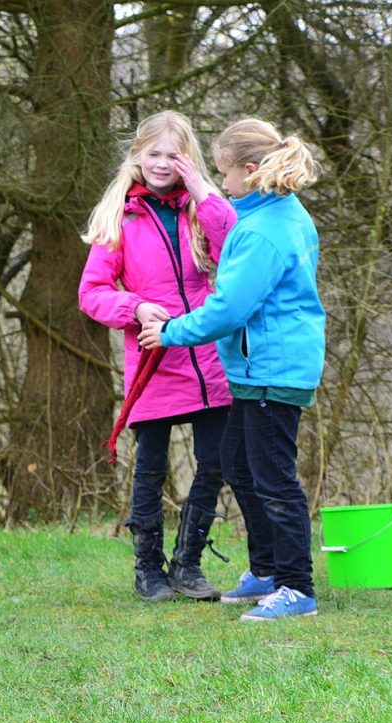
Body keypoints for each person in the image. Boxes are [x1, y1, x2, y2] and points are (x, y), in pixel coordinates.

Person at [140, 118, 325, 621]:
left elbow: (228, 309)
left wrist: (171, 331)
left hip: (273, 371)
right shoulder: (275, 212)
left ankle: (297, 587)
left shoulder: (265, 232)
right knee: (239, 465)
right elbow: (231, 225)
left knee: (274, 478)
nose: (222, 183)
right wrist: (203, 193)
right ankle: (265, 570)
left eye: (225, 173)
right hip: (254, 368)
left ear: (250, 169)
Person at [80, 110, 236, 603]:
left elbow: (234, 247)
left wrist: (204, 193)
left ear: (189, 160)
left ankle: (188, 565)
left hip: (207, 358)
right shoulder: (119, 218)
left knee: (215, 463)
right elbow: (92, 293)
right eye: (154, 153)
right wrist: (135, 306)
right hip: (153, 361)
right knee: (149, 468)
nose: (163, 163)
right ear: (137, 156)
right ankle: (148, 568)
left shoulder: (202, 210)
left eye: (174, 155)